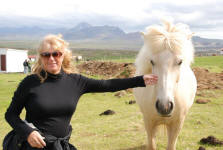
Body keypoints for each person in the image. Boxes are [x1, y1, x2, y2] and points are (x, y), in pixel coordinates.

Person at [4, 34, 158, 150]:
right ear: (41, 57)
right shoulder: (29, 83)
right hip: (33, 146)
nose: (51, 58)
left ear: (63, 55)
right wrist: (28, 132)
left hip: (60, 146)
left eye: (56, 54)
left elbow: (108, 84)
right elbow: (10, 114)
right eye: (46, 54)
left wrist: (140, 80)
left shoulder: (76, 81)